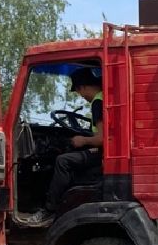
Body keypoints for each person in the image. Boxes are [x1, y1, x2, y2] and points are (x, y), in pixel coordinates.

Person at [15, 68, 104, 227]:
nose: (81, 97)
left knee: (63, 161)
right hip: (104, 153)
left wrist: (83, 140)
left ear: (82, 87)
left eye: (79, 92)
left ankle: (49, 210)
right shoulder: (106, 97)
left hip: (103, 155)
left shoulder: (98, 102)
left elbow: (103, 138)